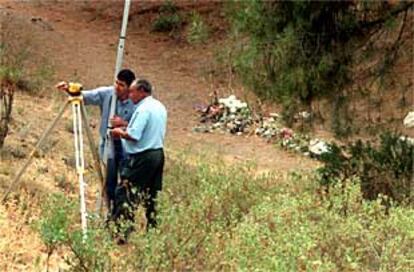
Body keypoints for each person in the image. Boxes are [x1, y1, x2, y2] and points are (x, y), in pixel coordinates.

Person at [55, 69, 137, 214]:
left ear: (129, 88)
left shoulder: (136, 102)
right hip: (108, 144)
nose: (117, 87)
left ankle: (123, 214)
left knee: (125, 183)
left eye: (122, 85)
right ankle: (110, 212)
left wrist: (123, 123)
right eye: (116, 83)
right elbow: (85, 96)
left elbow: (139, 127)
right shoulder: (107, 93)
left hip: (127, 147)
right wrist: (69, 88)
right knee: (109, 180)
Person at [111, 79, 167, 239]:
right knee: (151, 195)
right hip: (157, 154)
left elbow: (133, 135)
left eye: (132, 91)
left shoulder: (143, 110)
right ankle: (153, 232)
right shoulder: (159, 107)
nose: (130, 95)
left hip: (142, 157)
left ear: (142, 91)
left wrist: (118, 132)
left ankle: (122, 232)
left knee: (126, 192)